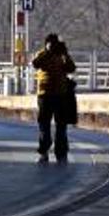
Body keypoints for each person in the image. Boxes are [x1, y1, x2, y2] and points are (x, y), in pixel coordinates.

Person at [32, 33, 75, 163]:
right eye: (50, 44)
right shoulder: (42, 54)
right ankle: (44, 150)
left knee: (61, 125)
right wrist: (47, 52)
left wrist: (65, 54)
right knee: (44, 124)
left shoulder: (62, 56)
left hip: (60, 94)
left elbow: (71, 68)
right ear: (46, 44)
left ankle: (61, 152)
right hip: (45, 95)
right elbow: (35, 63)